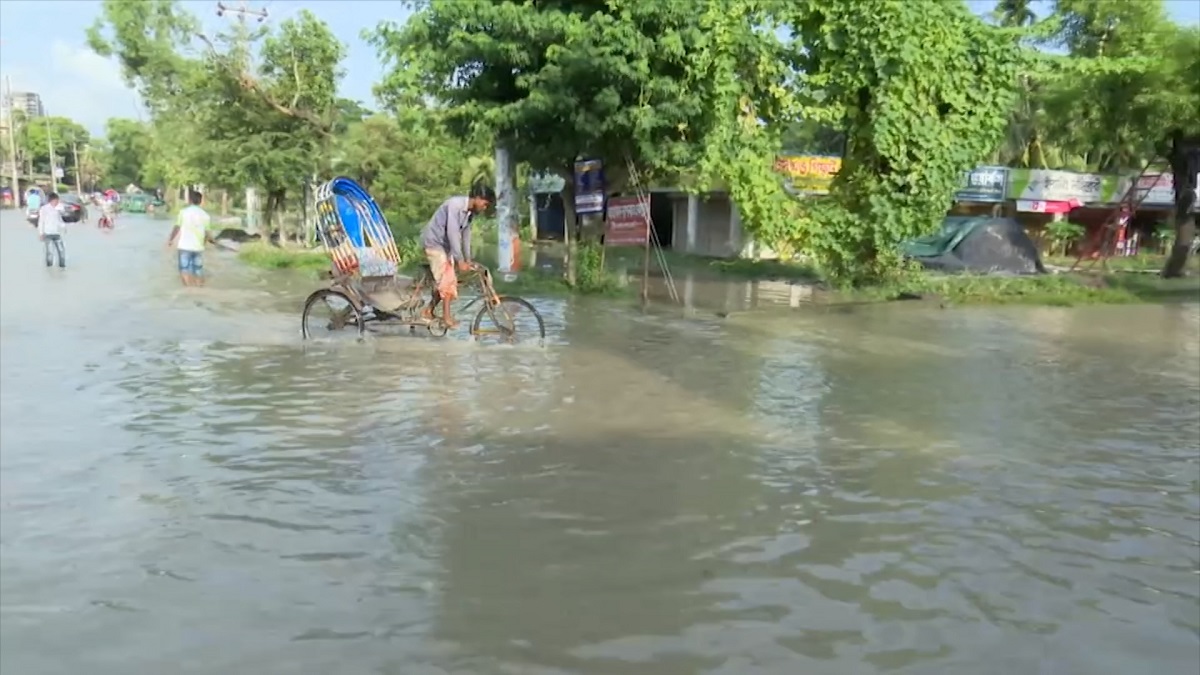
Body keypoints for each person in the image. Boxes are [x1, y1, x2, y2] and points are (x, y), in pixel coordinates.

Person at [419, 183, 495, 328]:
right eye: (485, 204)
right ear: (478, 198)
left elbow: (466, 235)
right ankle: (447, 317)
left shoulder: (469, 213)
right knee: (448, 278)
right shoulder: (455, 205)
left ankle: (428, 310)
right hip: (434, 243)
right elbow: (453, 233)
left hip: (445, 246)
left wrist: (468, 259)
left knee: (448, 280)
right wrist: (459, 260)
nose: (484, 208)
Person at [166, 189, 214, 287]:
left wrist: (170, 239)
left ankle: (188, 289)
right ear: (200, 201)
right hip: (198, 248)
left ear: (190, 200)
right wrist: (210, 239)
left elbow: (177, 227)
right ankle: (199, 288)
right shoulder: (205, 216)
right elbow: (208, 233)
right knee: (198, 270)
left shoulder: (183, 212)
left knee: (184, 270)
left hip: (185, 246)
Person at [38, 193, 67, 268]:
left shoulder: (59, 208)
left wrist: (64, 228)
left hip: (57, 233)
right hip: (47, 233)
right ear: (52, 200)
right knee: (50, 252)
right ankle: (49, 266)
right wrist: (41, 233)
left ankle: (62, 266)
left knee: (61, 251)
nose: (57, 202)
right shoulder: (44, 209)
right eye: (56, 200)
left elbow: (60, 220)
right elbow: (41, 221)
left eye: (58, 200)